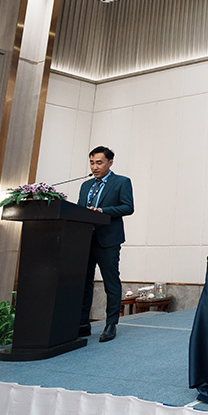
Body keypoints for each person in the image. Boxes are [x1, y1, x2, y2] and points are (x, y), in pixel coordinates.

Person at [79, 146, 134, 343]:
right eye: (92, 162)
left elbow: (128, 207)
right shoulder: (86, 186)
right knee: (83, 283)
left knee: (111, 282)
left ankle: (111, 324)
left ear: (110, 162)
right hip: (85, 240)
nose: (95, 167)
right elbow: (79, 210)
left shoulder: (121, 182)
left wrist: (102, 211)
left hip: (108, 240)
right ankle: (82, 324)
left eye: (99, 162)